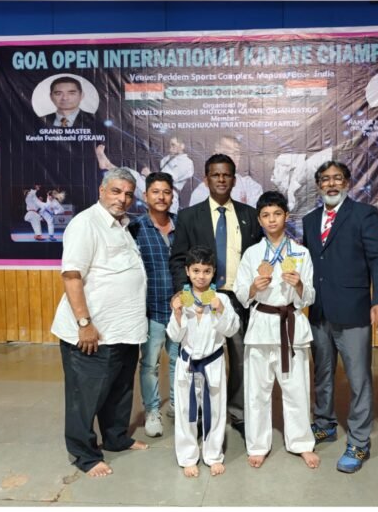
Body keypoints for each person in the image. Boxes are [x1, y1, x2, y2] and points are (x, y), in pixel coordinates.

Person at [50, 167, 149, 478]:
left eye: (128, 194)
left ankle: (116, 438)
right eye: (116, 191)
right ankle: (84, 455)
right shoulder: (85, 224)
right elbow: (72, 275)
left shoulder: (123, 225)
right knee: (86, 396)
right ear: (101, 191)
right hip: (93, 332)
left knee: (119, 390)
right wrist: (84, 323)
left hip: (124, 330)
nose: (123, 199)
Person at [301, 160, 378, 473]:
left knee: (358, 379)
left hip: (353, 310)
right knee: (322, 374)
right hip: (319, 311)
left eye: (337, 178)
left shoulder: (364, 214)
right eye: (325, 179)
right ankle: (324, 424)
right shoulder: (310, 220)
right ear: (318, 185)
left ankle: (359, 441)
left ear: (347, 182)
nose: (331, 184)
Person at [169, 153, 261, 439]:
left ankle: (238, 413)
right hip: (200, 299)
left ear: (234, 179)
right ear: (206, 179)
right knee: (200, 356)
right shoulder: (189, 216)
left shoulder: (249, 215)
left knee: (241, 358)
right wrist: (185, 296)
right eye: (215, 174)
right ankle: (199, 413)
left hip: (237, 299)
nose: (221, 179)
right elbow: (178, 259)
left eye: (226, 175)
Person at [233, 191, 319, 470]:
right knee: (257, 391)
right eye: (266, 215)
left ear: (286, 216)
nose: (272, 220)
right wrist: (253, 288)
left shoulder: (301, 253)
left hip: (291, 324)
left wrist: (299, 285)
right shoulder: (252, 254)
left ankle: (301, 443)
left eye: (277, 214)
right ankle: (258, 445)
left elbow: (310, 296)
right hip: (261, 325)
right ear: (259, 220)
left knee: (296, 389)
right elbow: (240, 293)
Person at [167, 245, 240, 478]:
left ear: (213, 272)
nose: (201, 276)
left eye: (206, 271)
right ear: (187, 271)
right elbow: (175, 336)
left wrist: (220, 310)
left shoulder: (222, 298)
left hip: (212, 363)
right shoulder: (182, 299)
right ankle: (188, 457)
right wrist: (177, 314)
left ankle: (213, 455)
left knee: (216, 411)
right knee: (185, 411)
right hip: (187, 363)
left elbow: (231, 330)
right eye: (196, 271)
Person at [129, 172, 180, 438]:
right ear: (145, 195)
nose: (161, 197)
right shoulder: (135, 228)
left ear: (173, 196)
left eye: (166, 192)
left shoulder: (182, 225)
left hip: (180, 311)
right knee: (149, 364)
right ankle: (151, 410)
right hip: (150, 311)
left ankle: (176, 405)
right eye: (156, 192)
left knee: (178, 362)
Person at [95, 134, 194, 213]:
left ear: (182, 146)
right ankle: (107, 165)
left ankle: (107, 165)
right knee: (128, 175)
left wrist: (149, 174)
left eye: (173, 145)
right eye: (170, 145)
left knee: (166, 228)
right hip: (155, 190)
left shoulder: (187, 163)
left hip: (167, 196)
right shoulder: (166, 159)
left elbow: (167, 179)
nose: (170, 148)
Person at [189, 136, 263, 207]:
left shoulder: (251, 186)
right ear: (215, 154)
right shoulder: (201, 192)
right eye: (227, 151)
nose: (233, 156)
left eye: (236, 152)